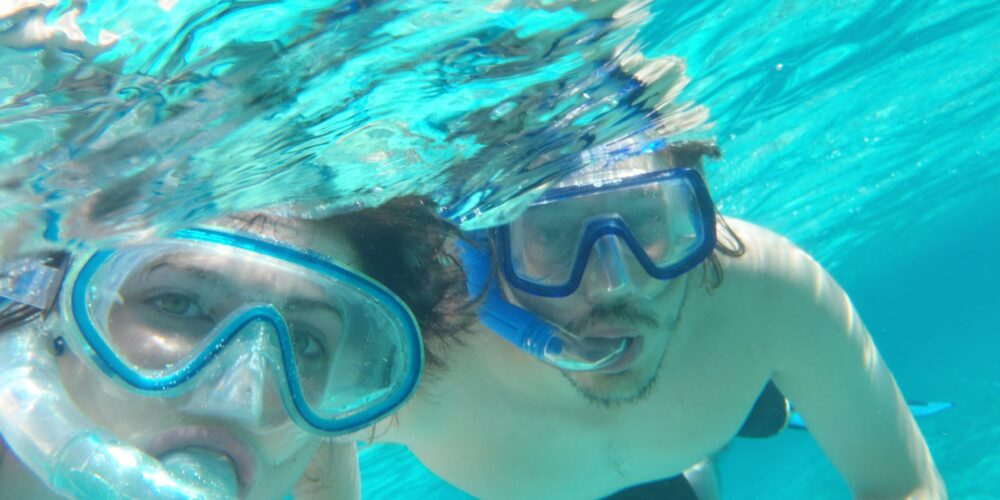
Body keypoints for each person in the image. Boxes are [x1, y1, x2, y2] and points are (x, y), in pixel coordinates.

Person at [364, 140, 946, 499]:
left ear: (697, 215)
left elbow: (906, 485)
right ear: (480, 251)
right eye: (555, 234)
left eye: (645, 222)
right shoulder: (412, 358)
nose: (613, 282)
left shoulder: (770, 289)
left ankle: (753, 404)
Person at [0, 198, 466, 499]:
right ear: (53, 325)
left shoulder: (315, 450)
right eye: (176, 304)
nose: (242, 399)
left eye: (304, 343)